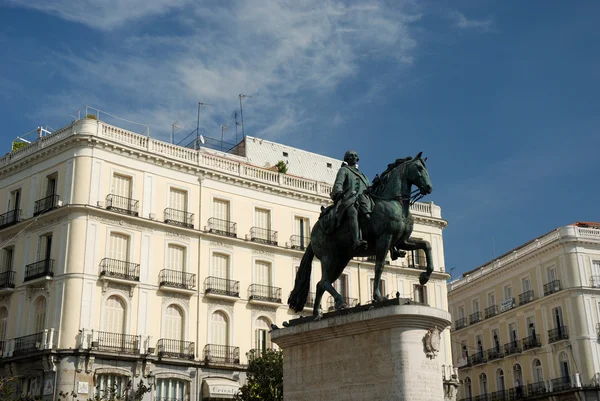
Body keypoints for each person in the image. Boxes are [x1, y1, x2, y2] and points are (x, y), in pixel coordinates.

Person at [330, 150, 373, 250]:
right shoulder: (344, 170)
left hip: (364, 200)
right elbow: (338, 184)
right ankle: (356, 241)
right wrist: (339, 192)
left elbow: (369, 188)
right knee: (353, 211)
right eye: (351, 156)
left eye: (355, 156)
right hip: (350, 199)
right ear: (347, 159)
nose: (353, 157)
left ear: (357, 159)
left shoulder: (364, 176)